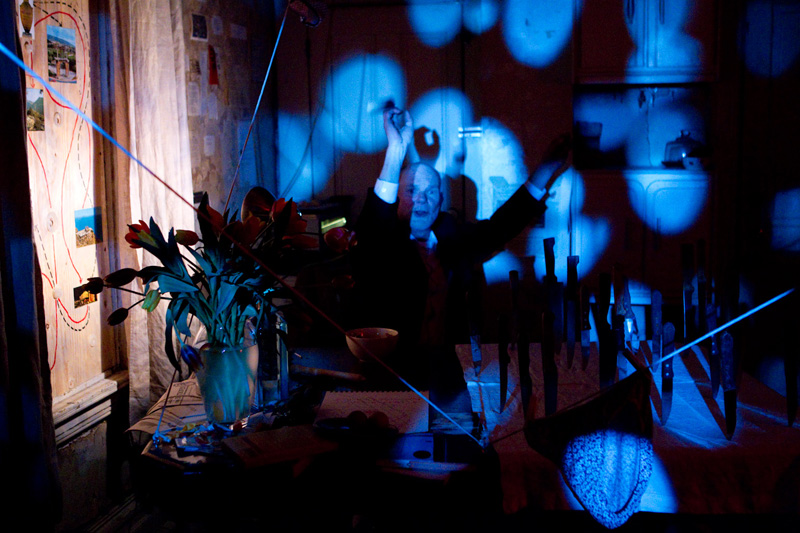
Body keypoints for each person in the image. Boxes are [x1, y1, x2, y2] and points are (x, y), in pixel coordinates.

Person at [351, 106, 570, 390]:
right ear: (395, 199)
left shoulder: (451, 236)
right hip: (392, 373)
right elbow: (375, 226)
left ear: (441, 200)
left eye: (431, 192)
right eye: (411, 191)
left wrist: (546, 170)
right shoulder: (381, 243)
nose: (421, 199)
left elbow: (501, 226)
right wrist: (397, 149)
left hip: (451, 369)